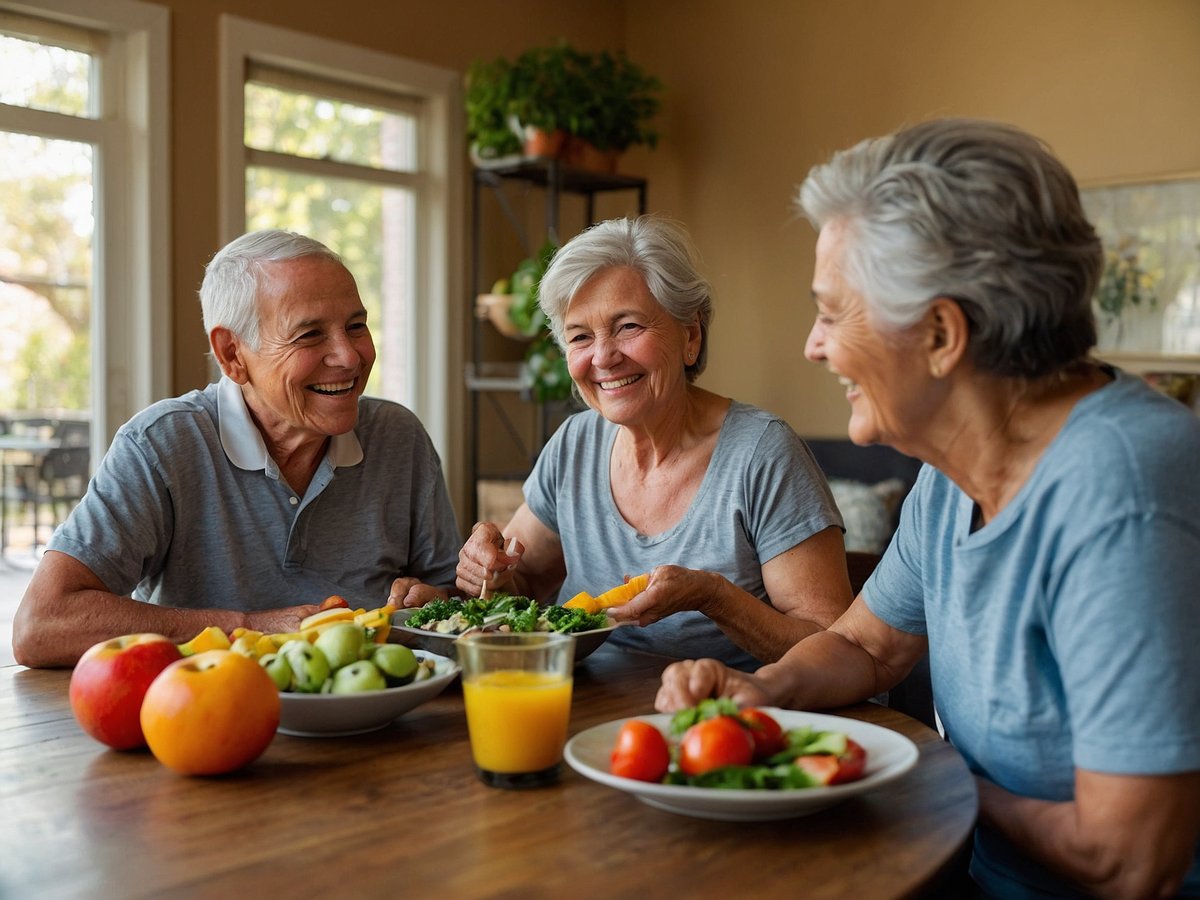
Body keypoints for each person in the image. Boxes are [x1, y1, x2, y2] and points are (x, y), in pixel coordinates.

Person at [655, 118, 1200, 897]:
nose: (813, 345)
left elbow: (1131, 860)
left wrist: (931, 781)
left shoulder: (1123, 486)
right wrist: (760, 694)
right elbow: (867, 649)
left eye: (832, 312)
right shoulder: (952, 473)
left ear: (942, 334)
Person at [13, 230, 460, 668]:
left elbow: (452, 596)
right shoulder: (160, 445)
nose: (349, 355)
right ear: (232, 355)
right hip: (203, 720)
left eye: (356, 326)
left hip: (374, 722)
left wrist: (436, 599)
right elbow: (41, 624)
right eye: (309, 335)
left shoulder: (399, 436)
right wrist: (250, 626)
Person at [456, 216, 852, 671]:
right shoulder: (574, 444)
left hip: (720, 722)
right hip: (580, 708)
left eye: (627, 326)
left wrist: (714, 598)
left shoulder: (762, 453)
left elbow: (833, 646)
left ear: (690, 336)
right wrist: (486, 565)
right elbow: (519, 582)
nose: (603, 357)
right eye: (580, 336)